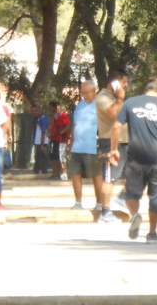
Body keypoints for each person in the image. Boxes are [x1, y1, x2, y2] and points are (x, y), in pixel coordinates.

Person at [110, 78, 157, 244]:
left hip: (135, 158)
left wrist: (114, 149)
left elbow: (116, 127)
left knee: (132, 192)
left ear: (145, 90)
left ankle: (135, 215)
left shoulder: (130, 103)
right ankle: (152, 233)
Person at [96, 68, 129, 223]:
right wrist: (121, 99)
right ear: (115, 83)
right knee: (109, 179)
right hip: (110, 143)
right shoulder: (103, 97)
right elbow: (114, 113)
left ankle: (123, 195)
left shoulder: (114, 97)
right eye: (124, 83)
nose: (126, 86)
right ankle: (105, 212)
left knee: (136, 172)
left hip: (126, 142)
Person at [68, 80, 103, 212]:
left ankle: (99, 203)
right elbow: (75, 126)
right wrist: (71, 146)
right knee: (75, 174)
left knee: (96, 175)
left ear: (95, 91)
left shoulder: (100, 105)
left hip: (92, 147)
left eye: (87, 93)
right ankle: (78, 202)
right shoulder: (80, 105)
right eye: (83, 93)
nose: (85, 96)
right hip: (77, 147)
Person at [48, 101, 70, 180]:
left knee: (62, 156)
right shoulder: (54, 116)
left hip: (61, 139)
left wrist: (60, 133)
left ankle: (64, 173)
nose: (50, 109)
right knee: (54, 157)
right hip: (54, 139)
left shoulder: (62, 115)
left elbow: (67, 126)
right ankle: (55, 173)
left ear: (57, 107)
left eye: (51, 107)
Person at [32, 105, 49, 174]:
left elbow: (43, 132)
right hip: (38, 142)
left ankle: (43, 171)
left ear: (41, 111)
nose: (35, 112)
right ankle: (37, 170)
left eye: (37, 111)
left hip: (42, 142)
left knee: (43, 157)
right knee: (37, 156)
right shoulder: (38, 119)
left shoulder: (43, 120)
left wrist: (42, 144)